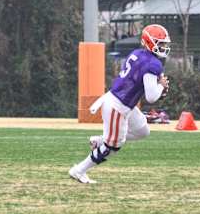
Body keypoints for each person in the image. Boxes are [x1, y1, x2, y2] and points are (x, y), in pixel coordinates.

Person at [69, 24, 171, 184]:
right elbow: (151, 97)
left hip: (120, 101)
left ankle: (102, 140)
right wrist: (161, 85)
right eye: (161, 43)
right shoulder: (153, 64)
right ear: (150, 42)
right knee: (113, 146)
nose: (164, 47)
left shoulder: (138, 53)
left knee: (143, 131)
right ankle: (79, 170)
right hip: (118, 106)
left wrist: (156, 83)